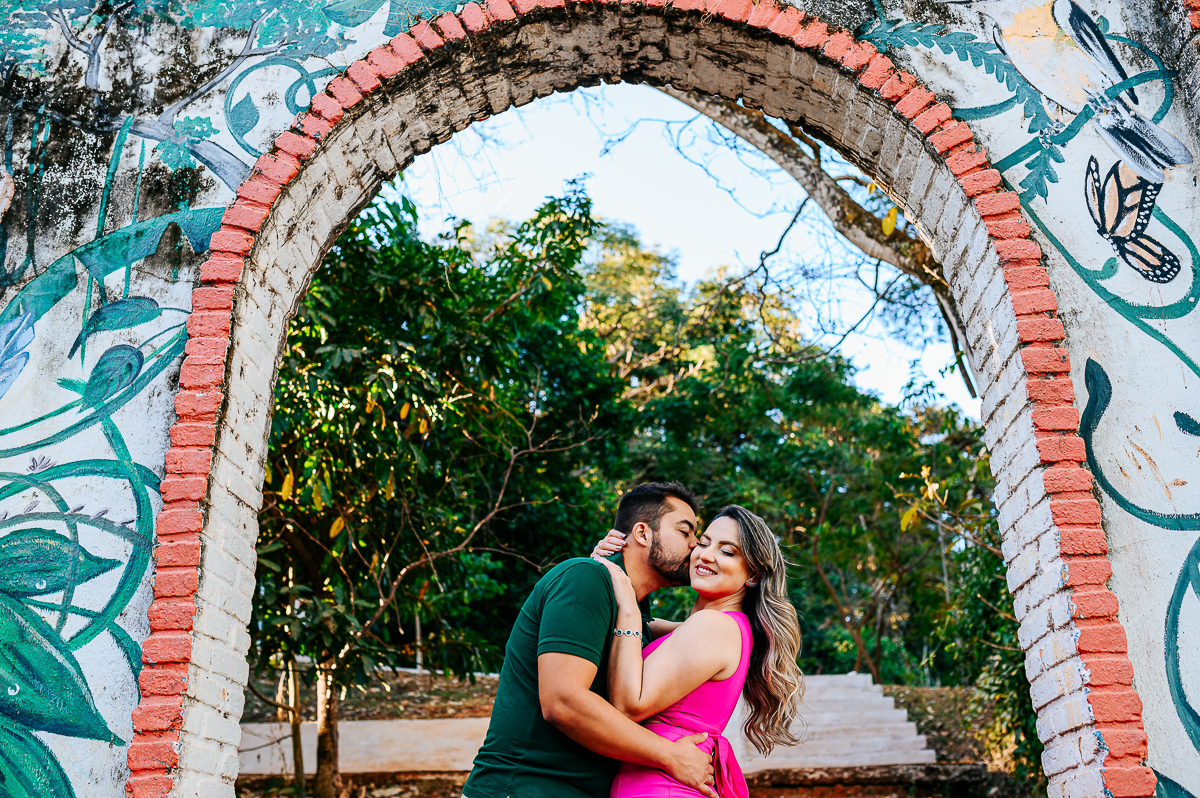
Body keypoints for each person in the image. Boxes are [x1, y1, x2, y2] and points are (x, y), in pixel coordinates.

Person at [463, 482, 720, 798]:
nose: (696, 545)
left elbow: (692, 634)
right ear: (642, 533)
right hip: (524, 789)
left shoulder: (633, 613)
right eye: (685, 532)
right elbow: (563, 701)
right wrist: (670, 755)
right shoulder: (585, 578)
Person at [592, 505, 803, 798]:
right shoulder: (717, 627)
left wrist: (627, 609)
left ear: (753, 574)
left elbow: (628, 706)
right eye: (703, 543)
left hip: (662, 789)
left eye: (727, 551)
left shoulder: (714, 627)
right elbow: (647, 627)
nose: (706, 555)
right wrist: (613, 562)